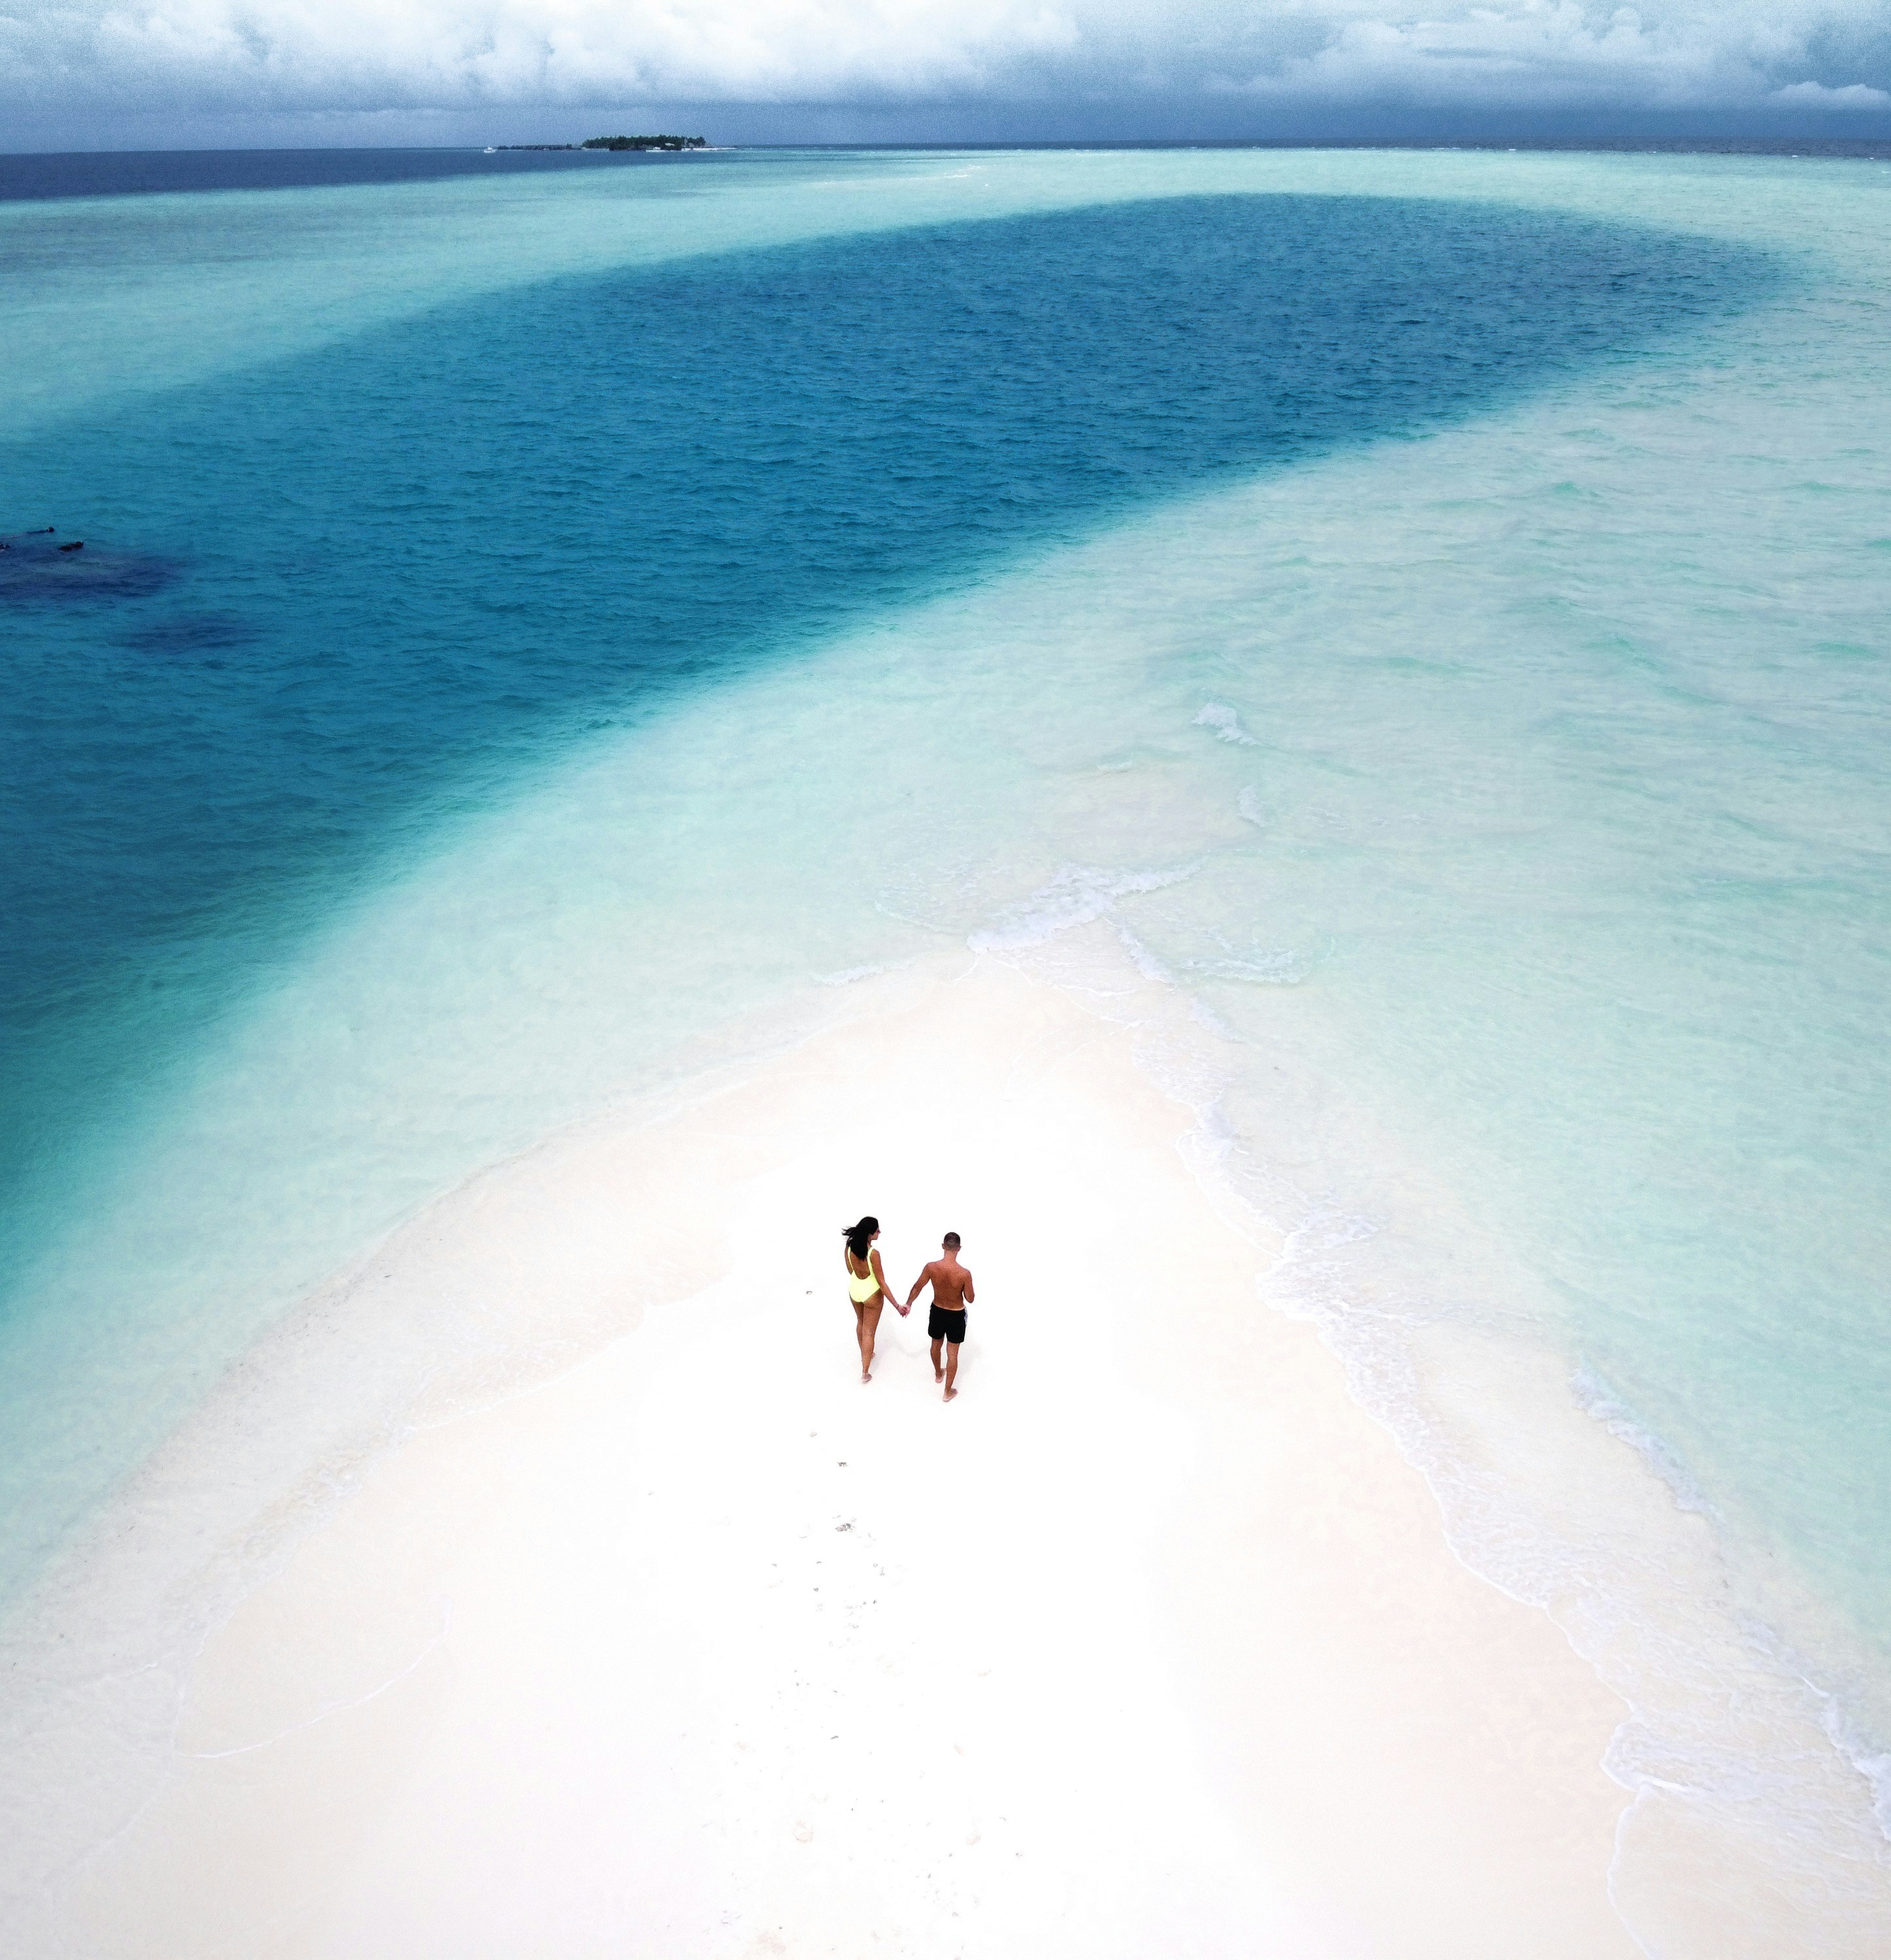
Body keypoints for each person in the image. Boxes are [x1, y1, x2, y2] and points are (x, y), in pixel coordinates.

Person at [906, 1233, 974, 1401]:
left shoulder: (931, 1267)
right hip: (956, 1314)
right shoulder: (964, 1274)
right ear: (959, 1249)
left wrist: (908, 1304)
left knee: (936, 1345)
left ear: (943, 1246)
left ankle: (938, 1373)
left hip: (937, 1310)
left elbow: (917, 1287)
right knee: (952, 1354)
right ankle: (947, 1391)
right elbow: (970, 1299)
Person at [842, 1216, 904, 1382]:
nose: (880, 1232)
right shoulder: (873, 1254)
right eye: (877, 1231)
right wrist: (897, 1306)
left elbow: (850, 1269)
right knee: (869, 1332)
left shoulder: (849, 1247)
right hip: (871, 1294)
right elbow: (881, 1283)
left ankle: (866, 1353)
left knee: (860, 1323)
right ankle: (865, 1372)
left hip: (855, 1290)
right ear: (870, 1235)